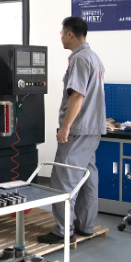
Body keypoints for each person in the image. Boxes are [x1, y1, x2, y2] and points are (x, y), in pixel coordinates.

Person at [38, 16, 106, 244]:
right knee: (87, 177)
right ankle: (85, 225)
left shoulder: (79, 59)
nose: (60, 37)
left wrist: (65, 127)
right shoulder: (94, 58)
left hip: (77, 129)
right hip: (92, 129)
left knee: (63, 179)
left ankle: (63, 231)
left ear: (69, 33)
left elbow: (77, 96)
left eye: (61, 33)